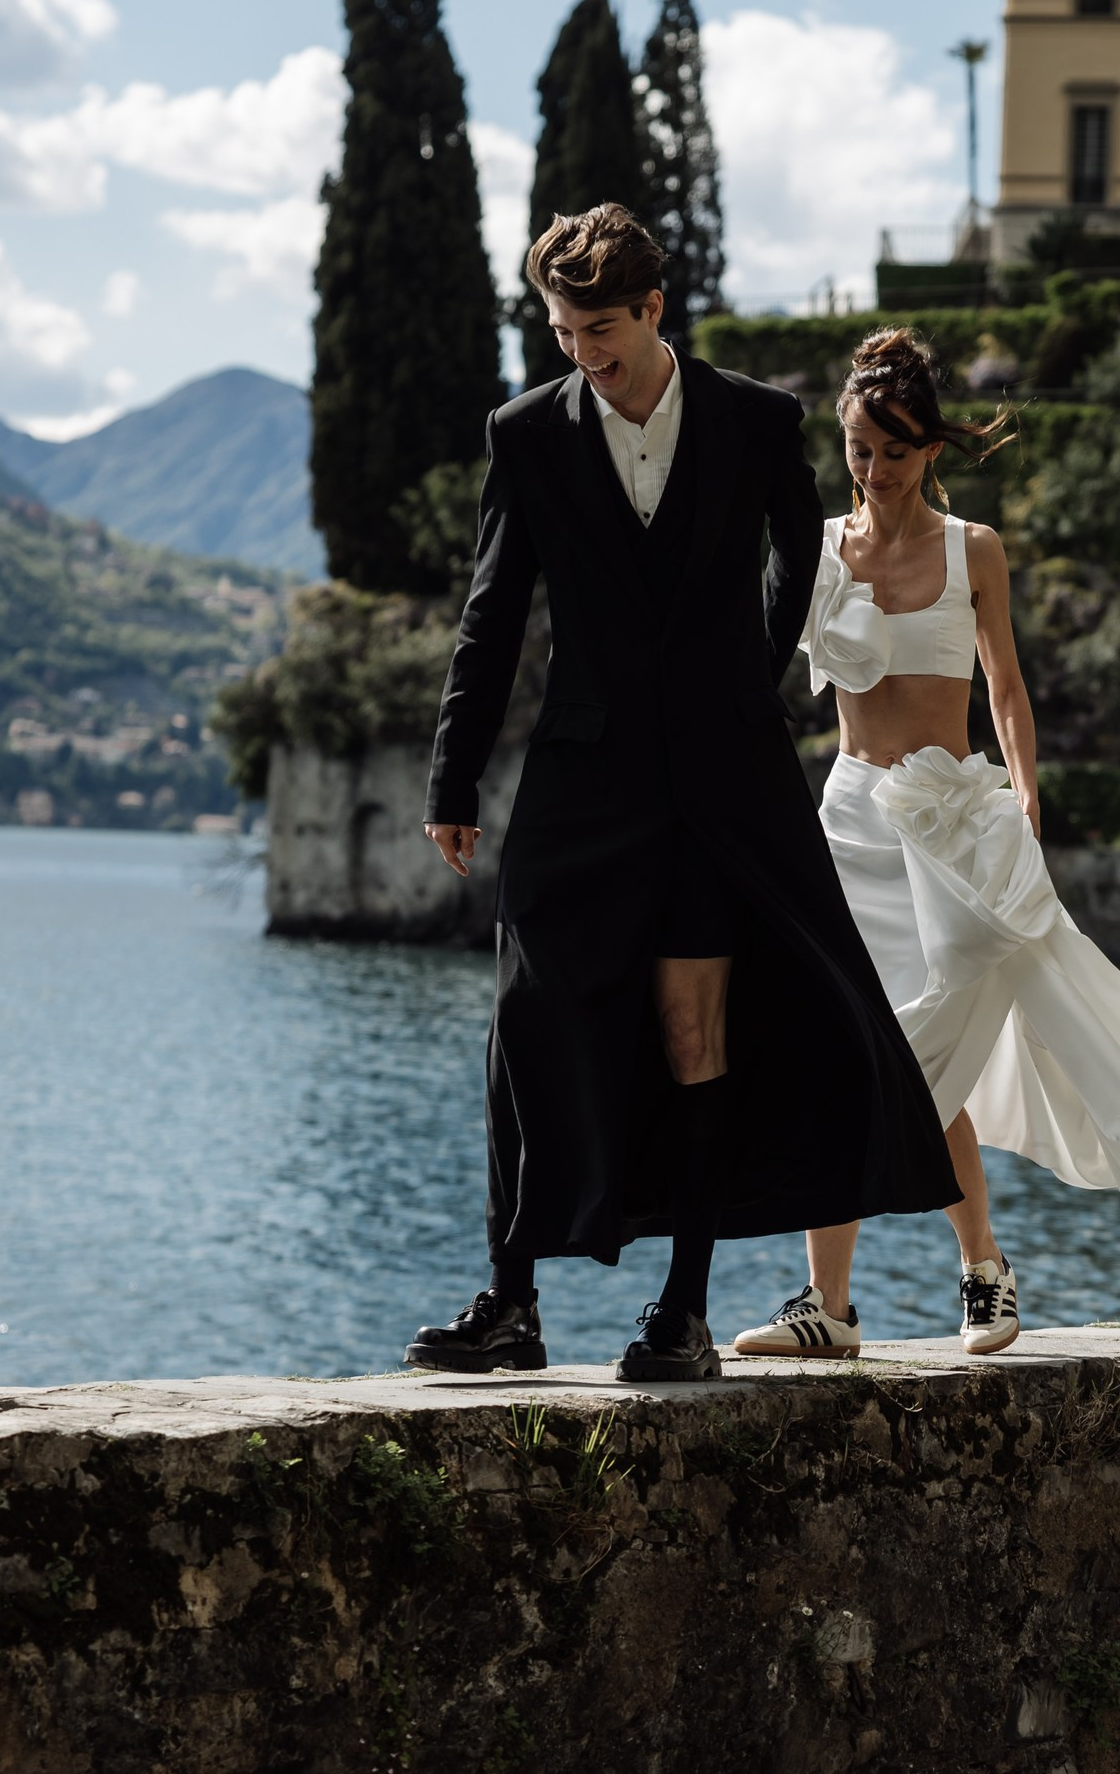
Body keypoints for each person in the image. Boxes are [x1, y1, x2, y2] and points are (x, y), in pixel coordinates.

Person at [406, 210, 955, 1381]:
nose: (580, 354)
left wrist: (747, 679)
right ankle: (510, 1303)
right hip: (580, 782)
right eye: (561, 332)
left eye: (598, 330)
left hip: (719, 784)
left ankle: (682, 1314)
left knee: (694, 1028)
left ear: (653, 309)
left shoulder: (756, 420)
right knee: (525, 1025)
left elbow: (795, 556)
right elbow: (492, 614)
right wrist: (454, 774)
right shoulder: (525, 433)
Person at [731, 327, 1120, 1363]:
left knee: (921, 1057)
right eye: (859, 450)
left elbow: (1004, 686)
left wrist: (1025, 796)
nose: (874, 470)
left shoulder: (974, 549)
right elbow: (755, 678)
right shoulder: (818, 549)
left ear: (930, 449)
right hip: (847, 824)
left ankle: (982, 1270)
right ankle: (829, 1305)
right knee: (844, 1051)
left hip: (954, 828)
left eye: (893, 451)